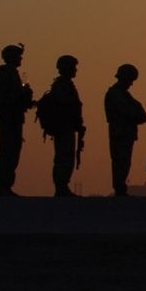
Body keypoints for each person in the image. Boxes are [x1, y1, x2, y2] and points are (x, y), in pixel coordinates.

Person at [0, 44, 33, 196]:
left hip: (14, 118)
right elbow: (3, 98)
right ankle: (3, 186)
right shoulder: (4, 73)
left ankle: (6, 185)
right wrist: (22, 95)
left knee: (13, 152)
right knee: (7, 151)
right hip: (8, 118)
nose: (20, 59)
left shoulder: (12, 73)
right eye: (18, 56)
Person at [104, 64, 146, 197]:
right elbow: (131, 112)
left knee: (124, 162)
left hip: (125, 132)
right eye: (130, 80)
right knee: (120, 161)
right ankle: (119, 188)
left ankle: (121, 188)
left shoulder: (123, 94)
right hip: (120, 133)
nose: (131, 83)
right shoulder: (116, 94)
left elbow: (141, 115)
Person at [47, 55, 85, 197]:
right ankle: (61, 187)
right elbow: (65, 105)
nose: (75, 70)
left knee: (66, 157)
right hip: (63, 127)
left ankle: (62, 186)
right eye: (73, 67)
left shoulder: (65, 84)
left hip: (67, 126)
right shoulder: (62, 85)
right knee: (63, 157)